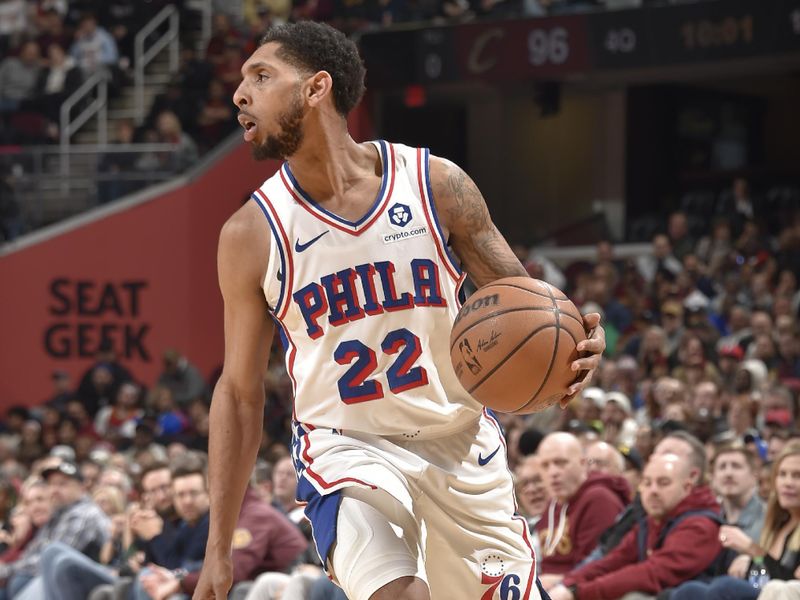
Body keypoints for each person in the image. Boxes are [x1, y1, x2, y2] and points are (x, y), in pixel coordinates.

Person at [194, 21, 605, 600]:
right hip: (347, 447)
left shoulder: (436, 185)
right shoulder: (251, 234)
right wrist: (218, 549)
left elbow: (529, 309)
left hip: (461, 446)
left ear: (316, 88)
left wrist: (578, 348)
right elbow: (238, 393)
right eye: (242, 80)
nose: (240, 93)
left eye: (261, 76)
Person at [547, 453, 723, 600]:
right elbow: (612, 561)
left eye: (663, 483)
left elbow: (652, 574)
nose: (653, 491)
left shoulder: (700, 525)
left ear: (687, 487)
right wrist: (567, 583)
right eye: (647, 483)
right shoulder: (653, 521)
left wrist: (577, 593)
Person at [671, 442, 800, 600]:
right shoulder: (779, 523)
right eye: (782, 474)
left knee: (725, 587)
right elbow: (762, 577)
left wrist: (751, 549)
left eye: (797, 476)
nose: (787, 483)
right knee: (689, 591)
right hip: (761, 590)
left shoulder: (762, 516)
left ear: (755, 475)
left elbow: (789, 587)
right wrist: (751, 564)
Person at [535, 432, 629, 585]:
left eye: (561, 463)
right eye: (545, 465)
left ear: (583, 463)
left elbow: (597, 569)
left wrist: (554, 583)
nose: (553, 472)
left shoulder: (600, 499)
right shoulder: (552, 505)